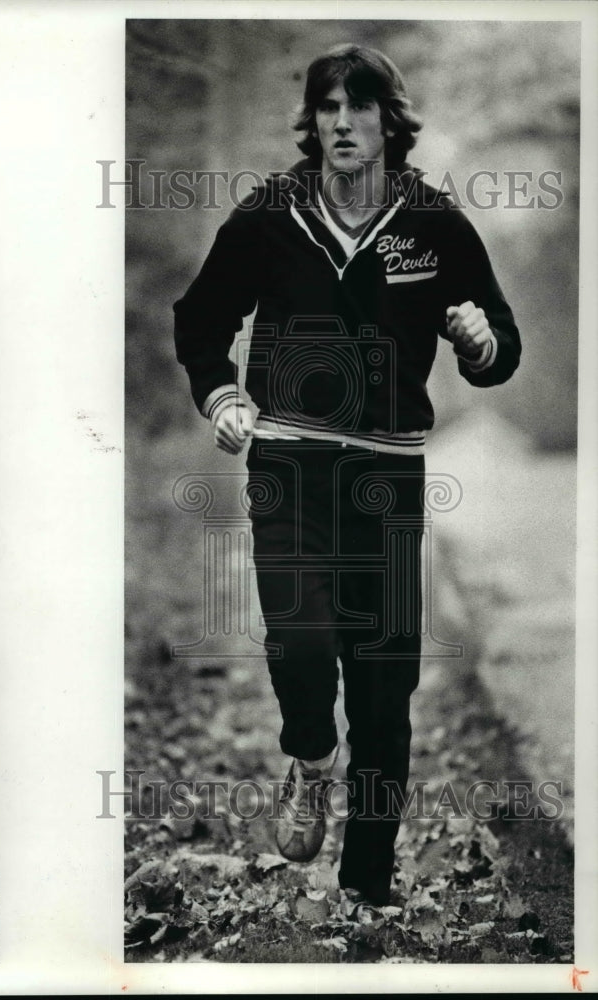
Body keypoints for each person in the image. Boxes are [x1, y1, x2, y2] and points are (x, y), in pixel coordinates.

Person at [173, 43, 521, 907]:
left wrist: (480, 345)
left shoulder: (433, 224)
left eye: (357, 108)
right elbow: (200, 318)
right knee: (300, 639)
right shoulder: (269, 215)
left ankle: (368, 880)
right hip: (288, 461)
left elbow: (499, 343)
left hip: (390, 474)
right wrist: (220, 395)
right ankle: (307, 754)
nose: (339, 123)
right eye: (325, 108)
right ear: (311, 120)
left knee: (382, 682)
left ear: (386, 121)